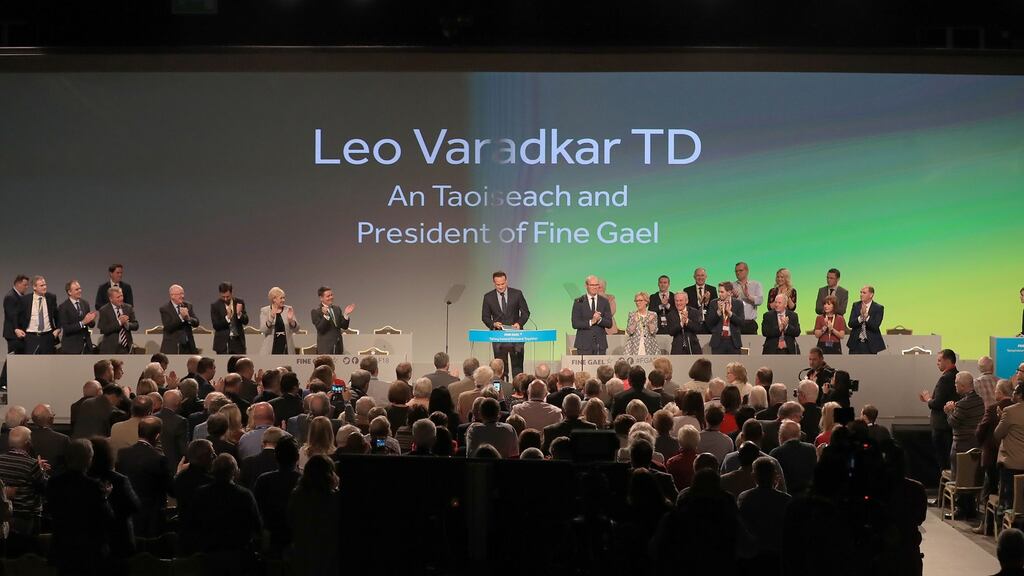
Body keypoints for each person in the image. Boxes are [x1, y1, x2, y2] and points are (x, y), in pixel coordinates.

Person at [46, 439, 113, 576]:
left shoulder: (54, 482)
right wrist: (105, 496)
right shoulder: (93, 486)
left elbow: (51, 509)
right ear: (88, 459)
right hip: (89, 549)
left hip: (63, 545)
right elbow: (107, 516)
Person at [191, 454, 262, 573]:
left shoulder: (200, 493)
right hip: (238, 554)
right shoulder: (244, 495)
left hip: (209, 553)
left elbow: (193, 522)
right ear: (234, 472)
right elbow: (256, 524)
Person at [115, 417, 173, 537]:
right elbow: (171, 489)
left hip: (127, 511)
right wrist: (179, 472)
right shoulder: (159, 459)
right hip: (151, 517)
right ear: (157, 436)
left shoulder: (123, 454)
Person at [87, 436, 141, 561]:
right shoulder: (119, 480)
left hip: (92, 538)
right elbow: (135, 506)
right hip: (119, 536)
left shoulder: (83, 480)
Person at [288, 454, 340, 576]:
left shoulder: (297, 495)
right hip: (329, 555)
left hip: (302, 552)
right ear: (330, 474)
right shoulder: (335, 498)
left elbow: (291, 520)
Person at [737, 456, 791, 571]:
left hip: (753, 554)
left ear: (754, 476)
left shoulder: (744, 497)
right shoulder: (785, 499)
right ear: (775, 475)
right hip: (777, 553)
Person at [253, 435, 301, 556]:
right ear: (297, 457)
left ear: (276, 457)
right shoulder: (304, 481)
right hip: (297, 540)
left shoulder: (263, 480)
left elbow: (256, 511)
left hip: (270, 539)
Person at [0, 426, 47, 539]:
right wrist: (41, 471)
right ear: (28, 443)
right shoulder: (32, 464)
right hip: (25, 517)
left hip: (3, 516)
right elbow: (44, 486)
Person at [481, 271, 531, 376]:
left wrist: (519, 323)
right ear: (494, 283)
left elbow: (526, 312)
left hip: (516, 336)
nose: (500, 287)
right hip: (498, 337)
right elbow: (485, 317)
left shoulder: (517, 294)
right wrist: (493, 324)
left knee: (518, 369)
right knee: (500, 370)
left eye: (502, 284)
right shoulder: (488, 297)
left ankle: (518, 391)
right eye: (498, 284)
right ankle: (500, 391)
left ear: (506, 281)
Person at [919, 348, 959, 471]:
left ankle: (945, 486)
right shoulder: (957, 376)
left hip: (941, 426)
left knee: (944, 461)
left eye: (939, 360)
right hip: (951, 425)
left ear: (947, 361)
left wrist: (928, 399)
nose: (937, 363)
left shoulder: (945, 378)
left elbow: (937, 404)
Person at [770, 420, 817, 496]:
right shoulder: (811, 448)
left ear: (781, 435)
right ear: (799, 435)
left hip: (786, 497)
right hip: (808, 496)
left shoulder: (776, 453)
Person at [16, 275, 60, 354]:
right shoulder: (25, 300)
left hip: (48, 336)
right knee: (31, 363)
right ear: (34, 287)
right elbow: (16, 316)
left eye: (45, 285)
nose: (44, 287)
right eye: (42, 285)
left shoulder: (51, 298)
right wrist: (16, 329)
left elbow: (57, 315)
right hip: (30, 337)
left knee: (48, 363)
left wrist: (58, 329)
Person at [571, 275, 613, 354]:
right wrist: (592, 321)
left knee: (601, 367)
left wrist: (599, 319)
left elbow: (609, 323)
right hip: (584, 345)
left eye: (596, 285)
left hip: (600, 345)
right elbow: (575, 324)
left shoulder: (604, 302)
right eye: (592, 285)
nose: (595, 287)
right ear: (586, 286)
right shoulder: (578, 302)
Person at [2, 275, 30, 387]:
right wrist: (16, 329)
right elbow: (12, 315)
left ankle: (13, 382)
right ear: (18, 284)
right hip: (13, 334)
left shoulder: (19, 297)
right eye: (25, 285)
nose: (27, 287)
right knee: (13, 358)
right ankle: (3, 382)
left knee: (18, 356)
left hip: (19, 333)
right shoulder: (11, 297)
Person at [311, 285, 355, 355]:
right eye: (328, 296)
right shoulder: (316, 311)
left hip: (338, 347)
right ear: (321, 298)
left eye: (331, 295)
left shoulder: (337, 309)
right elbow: (320, 329)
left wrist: (346, 314)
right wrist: (326, 316)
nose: (331, 297)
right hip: (325, 349)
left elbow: (344, 326)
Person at [27, 404, 69, 475]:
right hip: (56, 481)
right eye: (53, 414)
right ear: (51, 419)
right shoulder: (63, 439)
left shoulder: (26, 438)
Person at [57, 279, 97, 355]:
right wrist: (83, 322)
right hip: (71, 347)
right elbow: (66, 328)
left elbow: (91, 325)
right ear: (69, 292)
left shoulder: (85, 303)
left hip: (86, 345)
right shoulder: (63, 307)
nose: (80, 291)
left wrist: (91, 320)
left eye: (80, 288)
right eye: (76, 289)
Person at [96, 286, 138, 354]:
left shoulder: (128, 308)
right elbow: (103, 329)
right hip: (110, 349)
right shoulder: (104, 310)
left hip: (126, 348)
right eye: (118, 297)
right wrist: (119, 322)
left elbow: (136, 325)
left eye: (121, 296)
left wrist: (127, 324)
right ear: (111, 299)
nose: (121, 299)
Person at [210, 282, 249, 355]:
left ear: (231, 293)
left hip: (238, 343)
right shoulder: (215, 305)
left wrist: (239, 314)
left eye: (227, 296)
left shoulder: (239, 302)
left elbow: (246, 321)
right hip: (223, 344)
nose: (225, 299)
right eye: (223, 296)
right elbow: (216, 325)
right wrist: (227, 318)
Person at [159, 284, 199, 354]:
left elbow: (196, 322)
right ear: (172, 296)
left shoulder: (188, 305)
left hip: (188, 346)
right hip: (172, 346)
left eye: (183, 293)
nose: (182, 296)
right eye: (179, 294)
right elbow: (169, 327)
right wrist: (181, 317)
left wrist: (188, 318)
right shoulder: (165, 309)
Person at [706, 281, 744, 354]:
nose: (719, 294)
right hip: (718, 342)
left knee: (734, 365)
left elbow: (741, 322)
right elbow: (709, 323)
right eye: (719, 292)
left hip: (733, 342)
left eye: (722, 292)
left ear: (729, 292)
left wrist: (730, 313)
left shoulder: (738, 303)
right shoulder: (713, 303)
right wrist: (718, 312)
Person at [847, 285, 886, 354]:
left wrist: (866, 317)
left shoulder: (878, 308)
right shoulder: (856, 305)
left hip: (870, 345)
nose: (861, 294)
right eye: (861, 292)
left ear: (871, 295)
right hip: (855, 344)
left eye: (864, 293)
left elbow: (875, 326)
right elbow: (850, 324)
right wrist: (861, 317)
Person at [260, 287, 299, 355]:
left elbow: (297, 329)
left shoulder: (288, 309)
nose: (283, 300)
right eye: (281, 298)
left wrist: (291, 321)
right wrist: (271, 318)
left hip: (286, 348)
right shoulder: (265, 311)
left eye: (284, 298)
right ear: (274, 299)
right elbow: (263, 330)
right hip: (271, 349)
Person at [683, 267, 717, 333]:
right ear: (694, 277)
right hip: (693, 324)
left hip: (709, 325)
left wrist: (707, 302)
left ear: (706, 276)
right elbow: (687, 308)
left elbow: (715, 308)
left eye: (702, 275)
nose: (700, 277)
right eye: (698, 275)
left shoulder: (712, 289)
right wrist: (699, 302)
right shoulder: (687, 290)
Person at [733, 262, 764, 334]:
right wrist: (733, 298)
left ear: (747, 271)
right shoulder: (732, 286)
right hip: (735, 323)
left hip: (750, 323)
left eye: (740, 270)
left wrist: (748, 296)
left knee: (751, 344)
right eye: (736, 271)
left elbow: (760, 301)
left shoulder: (756, 284)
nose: (738, 273)